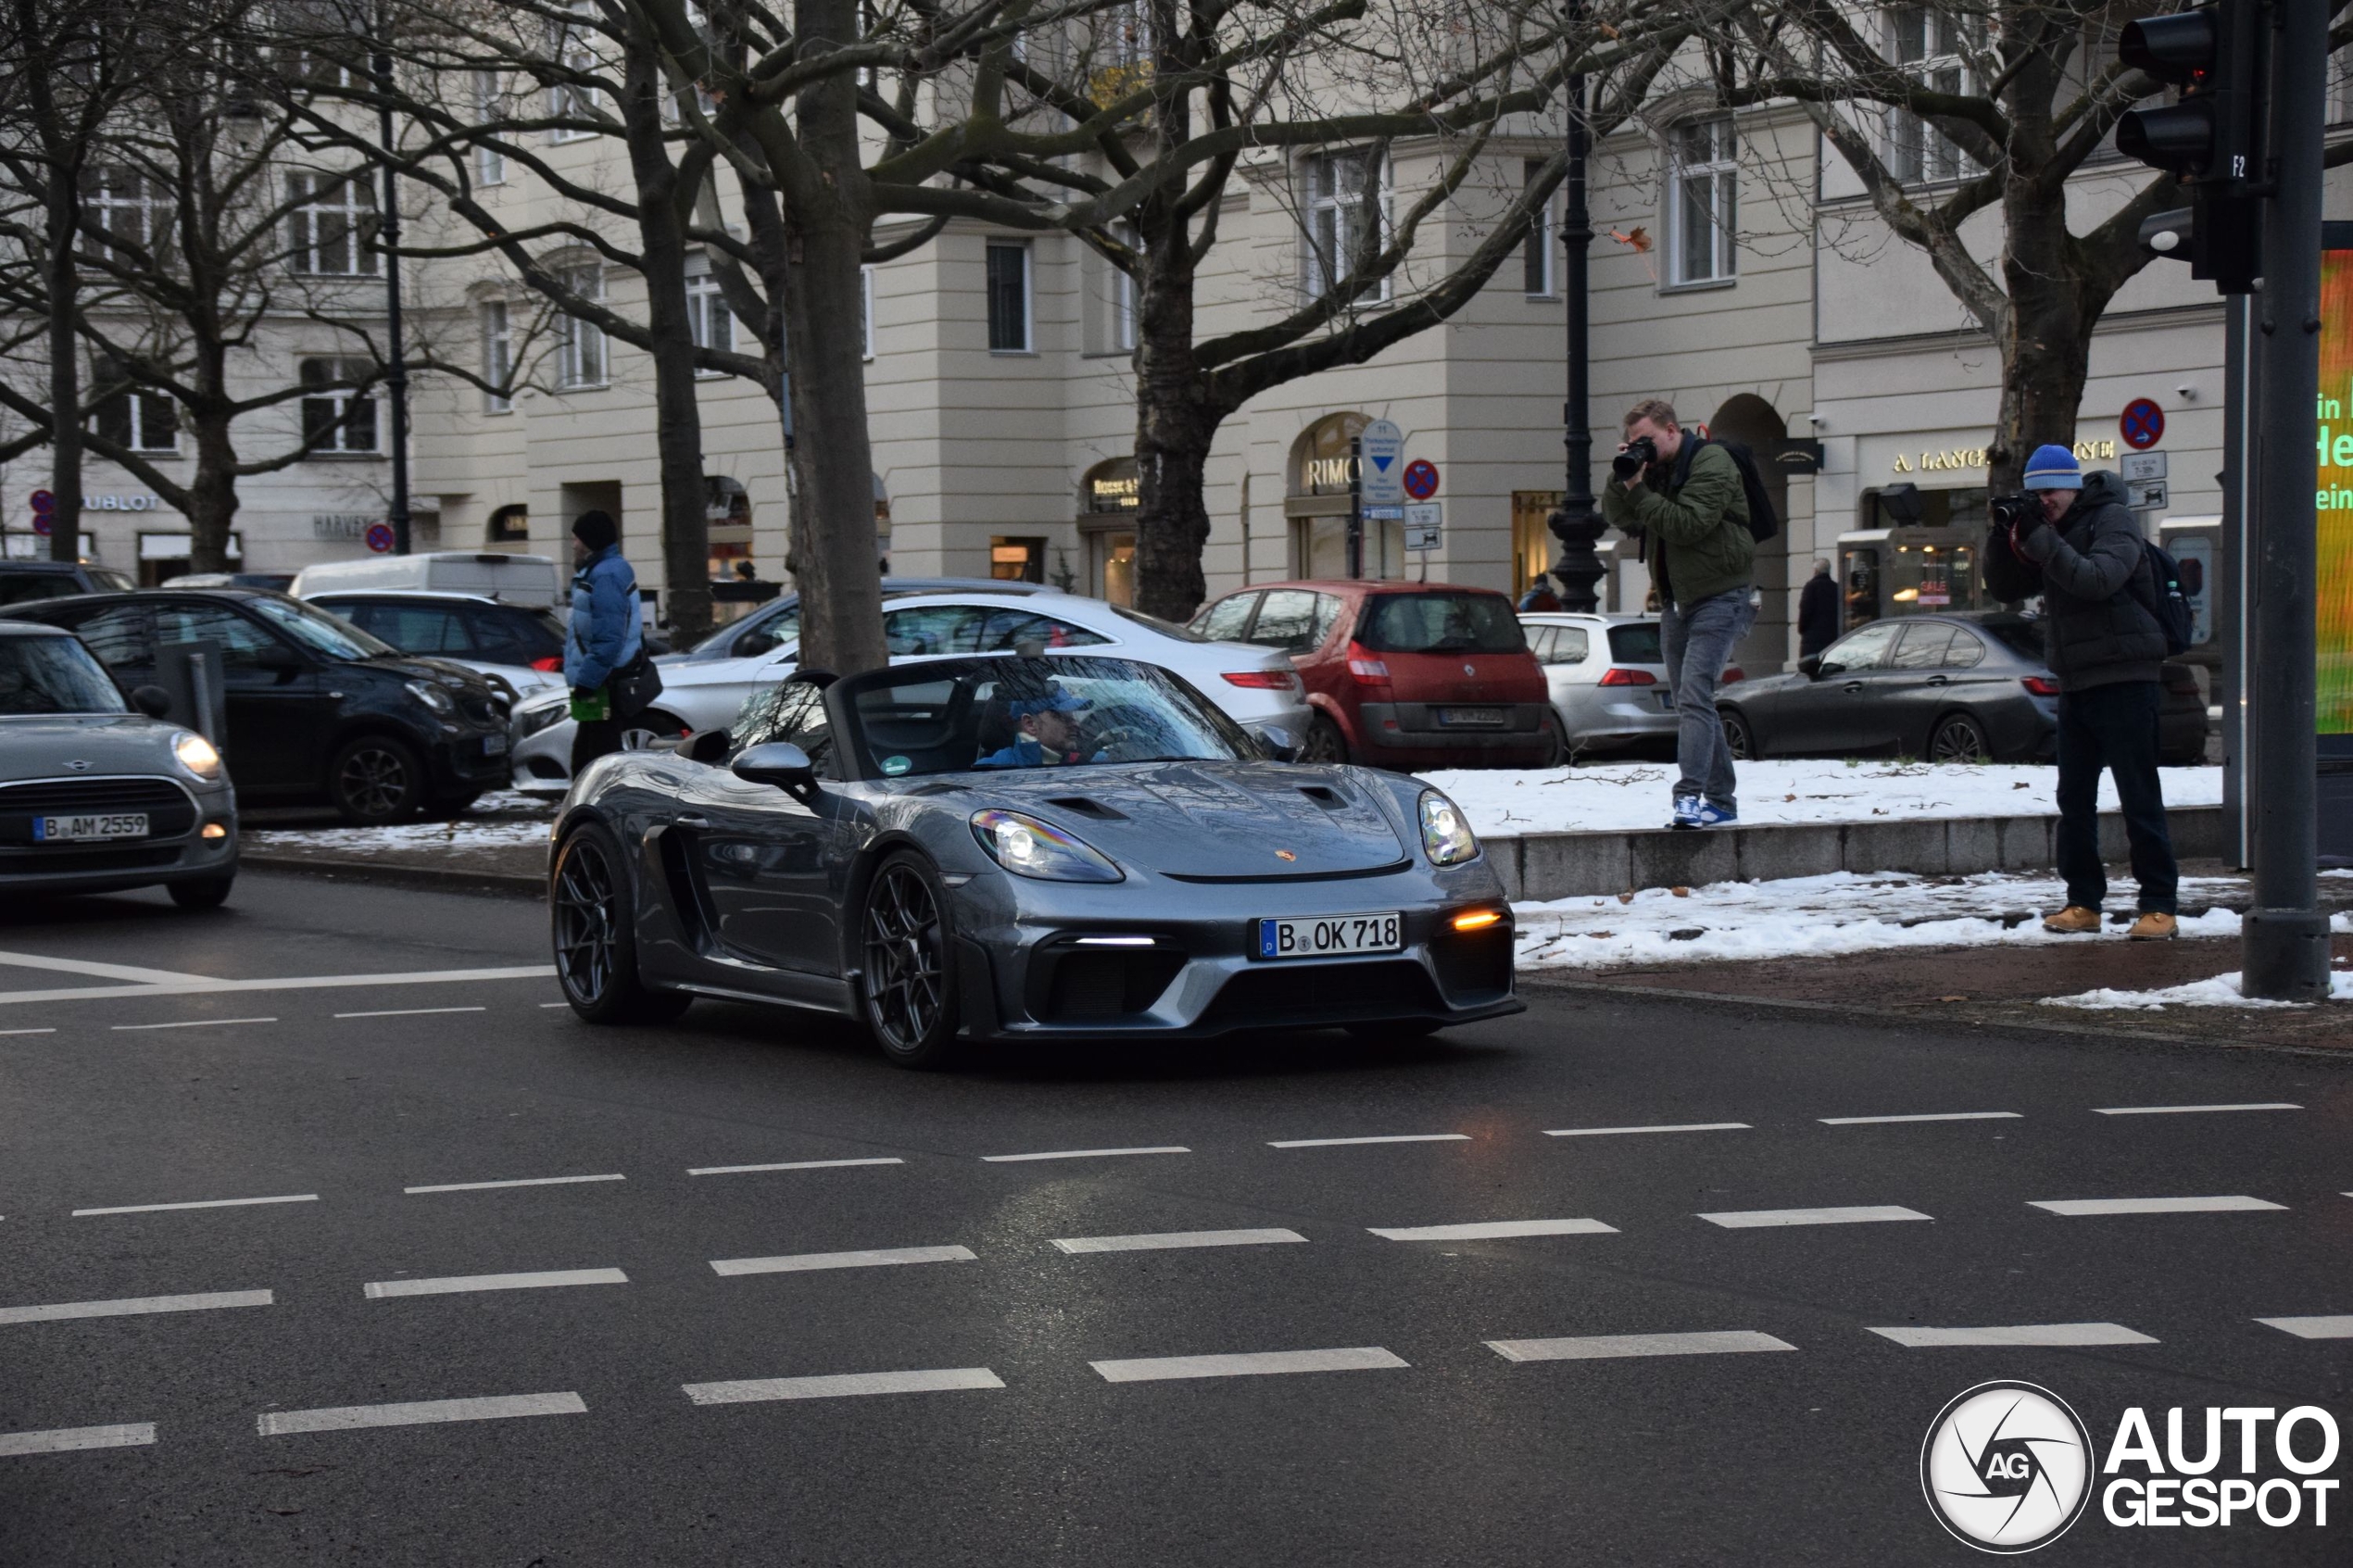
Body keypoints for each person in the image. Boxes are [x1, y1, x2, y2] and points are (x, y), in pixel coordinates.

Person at [1989, 445, 2177, 940]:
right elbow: (2004, 586)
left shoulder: (2114, 520)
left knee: (2139, 795)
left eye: (2049, 492)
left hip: (2126, 676)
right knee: (2074, 800)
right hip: (2075, 680)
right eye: (2035, 494)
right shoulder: (2051, 528)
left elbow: (2096, 580)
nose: (2043, 501)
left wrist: (2043, 539)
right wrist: (2002, 532)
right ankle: (2083, 903)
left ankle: (2158, 905)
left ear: (2073, 487)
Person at [1598, 397, 1755, 829]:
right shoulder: (1654, 470)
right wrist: (1623, 473)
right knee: (1695, 701)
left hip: (1721, 596)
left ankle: (1688, 797)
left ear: (1671, 430)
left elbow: (1688, 524)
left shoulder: (1713, 463)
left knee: (1693, 694)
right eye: (1634, 442)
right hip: (1675, 599)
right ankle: (1721, 801)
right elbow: (1617, 516)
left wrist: (1641, 491)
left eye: (1646, 440)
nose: (1641, 448)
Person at [563, 508, 644, 773]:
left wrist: (587, 680)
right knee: (590, 759)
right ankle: (590, 811)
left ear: (590, 541)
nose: (573, 544)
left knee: (594, 764)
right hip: (600, 680)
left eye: (576, 538)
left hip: (603, 683)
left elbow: (609, 637)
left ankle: (598, 813)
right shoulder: (601, 571)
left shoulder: (606, 575)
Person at [975, 684, 1100, 768]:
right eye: (1062, 717)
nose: (1075, 724)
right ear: (1030, 724)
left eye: (1072, 717)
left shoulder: (1097, 761)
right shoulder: (990, 770)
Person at [1797, 558, 1841, 657]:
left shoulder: (1811, 587)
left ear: (1815, 571)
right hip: (1832, 638)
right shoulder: (1836, 587)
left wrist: (1802, 629)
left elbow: (1805, 611)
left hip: (1813, 639)